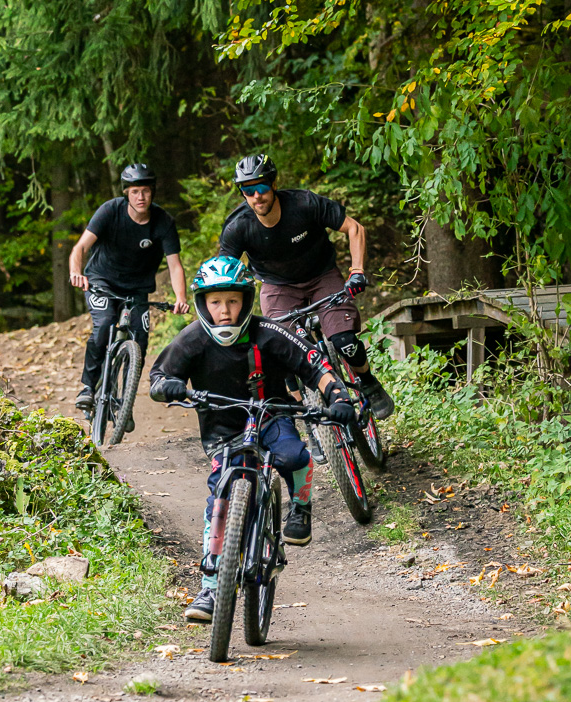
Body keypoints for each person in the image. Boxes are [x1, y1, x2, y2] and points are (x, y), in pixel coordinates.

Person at [149, 255, 352, 624]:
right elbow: (160, 374)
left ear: (245, 299)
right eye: (215, 302)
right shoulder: (192, 338)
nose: (224, 311)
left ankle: (300, 508)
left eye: (232, 301)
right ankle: (211, 586)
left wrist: (337, 397)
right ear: (202, 304)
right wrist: (166, 386)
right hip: (222, 428)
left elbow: (313, 364)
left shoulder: (269, 332)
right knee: (221, 499)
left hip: (272, 414)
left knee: (294, 457)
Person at [217, 153, 395, 420]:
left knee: (344, 340)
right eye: (248, 190)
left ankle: (369, 382)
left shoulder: (303, 204)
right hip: (278, 287)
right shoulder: (238, 227)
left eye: (262, 187)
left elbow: (355, 229)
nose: (257, 196)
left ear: (274, 184)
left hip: (322, 276)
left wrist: (356, 271)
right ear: (242, 193)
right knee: (283, 350)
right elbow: (223, 274)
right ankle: (308, 423)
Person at [69, 162, 189, 421]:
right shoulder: (109, 211)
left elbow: (175, 265)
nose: (141, 197)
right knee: (104, 326)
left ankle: (124, 403)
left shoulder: (163, 222)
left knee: (139, 340)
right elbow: (80, 248)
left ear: (152, 191)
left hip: (137, 288)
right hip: (101, 280)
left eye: (145, 191)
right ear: (126, 193)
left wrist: (181, 298)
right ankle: (88, 387)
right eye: (135, 191)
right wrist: (76, 273)